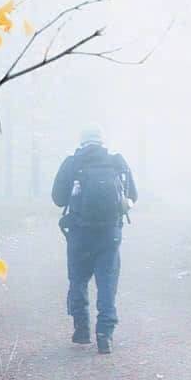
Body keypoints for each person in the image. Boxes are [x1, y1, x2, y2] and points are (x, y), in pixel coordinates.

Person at [51, 126, 138, 354]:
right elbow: (133, 196)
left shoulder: (71, 163)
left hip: (79, 233)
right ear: (101, 142)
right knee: (107, 282)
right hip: (110, 233)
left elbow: (58, 199)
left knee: (78, 279)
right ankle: (104, 334)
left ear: (82, 142)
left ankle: (81, 330)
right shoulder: (116, 162)